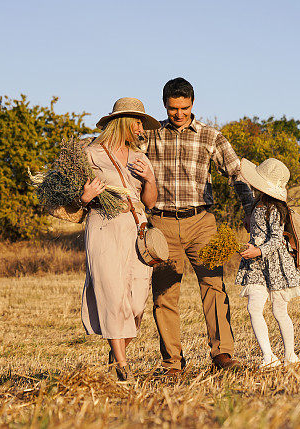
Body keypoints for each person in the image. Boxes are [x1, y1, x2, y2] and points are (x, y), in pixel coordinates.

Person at [145, 77, 255, 375]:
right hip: (161, 225)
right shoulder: (149, 136)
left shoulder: (211, 137)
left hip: (201, 223)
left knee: (213, 286)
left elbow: (236, 173)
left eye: (184, 107)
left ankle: (222, 354)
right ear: (164, 105)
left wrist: (249, 211)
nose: (179, 114)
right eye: (172, 109)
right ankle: (172, 363)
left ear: (193, 104)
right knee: (165, 295)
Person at [80, 97, 160, 381]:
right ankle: (124, 367)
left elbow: (149, 202)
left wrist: (150, 179)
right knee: (113, 295)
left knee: (137, 303)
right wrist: (86, 197)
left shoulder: (140, 157)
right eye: (138, 122)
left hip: (136, 227)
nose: (141, 128)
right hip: (103, 226)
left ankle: (115, 357)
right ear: (124, 123)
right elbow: (67, 198)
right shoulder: (89, 154)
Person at [236, 157, 300, 368]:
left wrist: (258, 250)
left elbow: (276, 240)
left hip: (275, 264)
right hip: (257, 265)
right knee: (254, 308)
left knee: (279, 311)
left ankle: (290, 355)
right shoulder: (258, 204)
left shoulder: (273, 209)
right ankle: (268, 356)